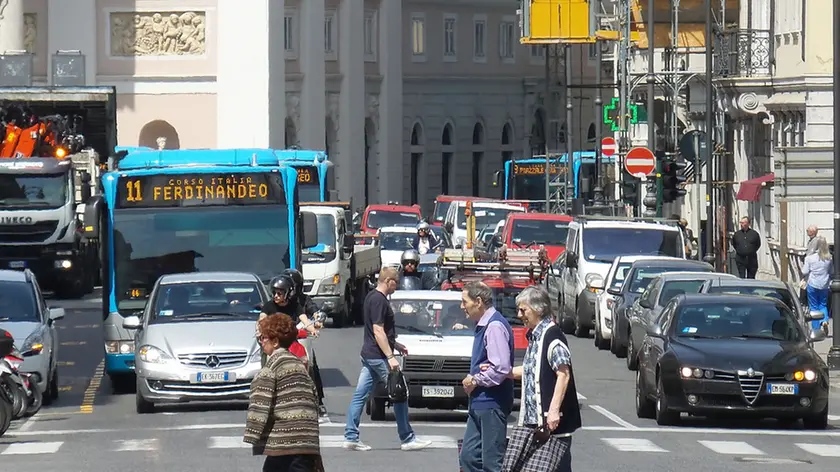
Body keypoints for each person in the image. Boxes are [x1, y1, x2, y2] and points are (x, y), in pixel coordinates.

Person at [343, 267, 432, 452]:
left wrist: (395, 345)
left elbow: (379, 331)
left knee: (360, 395)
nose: (397, 286)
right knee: (399, 393)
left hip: (371, 354)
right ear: (388, 280)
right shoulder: (379, 300)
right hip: (378, 356)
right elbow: (377, 330)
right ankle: (407, 438)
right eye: (396, 282)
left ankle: (350, 436)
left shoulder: (372, 297)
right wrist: (391, 357)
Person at [502, 286, 581, 472]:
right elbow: (533, 370)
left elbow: (564, 373)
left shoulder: (553, 337)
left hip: (549, 424)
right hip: (532, 423)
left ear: (538, 309)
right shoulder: (536, 337)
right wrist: (503, 372)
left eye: (523, 310)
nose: (519, 315)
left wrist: (553, 411)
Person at [244, 315, 325, 472]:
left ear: (275, 342)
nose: (260, 341)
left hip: (284, 444)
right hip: (308, 443)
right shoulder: (299, 366)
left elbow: (259, 406)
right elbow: (313, 401)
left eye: (263, 337)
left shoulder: (270, 369)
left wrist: (253, 435)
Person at [458, 281, 513, 472]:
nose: (462, 306)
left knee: (492, 462)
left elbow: (500, 368)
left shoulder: (494, 326)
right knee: (469, 457)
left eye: (465, 302)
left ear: (479, 302)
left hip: (492, 402)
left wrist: (475, 379)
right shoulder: (483, 325)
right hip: (480, 402)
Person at [283, 268, 329, 422]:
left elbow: (313, 312)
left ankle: (319, 402)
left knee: (312, 367)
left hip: (301, 339)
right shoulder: (278, 301)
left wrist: (318, 318)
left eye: (291, 286)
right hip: (282, 341)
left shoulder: (302, 300)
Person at [803, 236, 832, 334]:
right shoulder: (829, 258)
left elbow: (805, 271)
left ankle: (816, 329)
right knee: (823, 305)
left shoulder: (810, 258)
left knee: (814, 306)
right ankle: (824, 321)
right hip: (824, 285)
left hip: (813, 284)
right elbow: (831, 271)